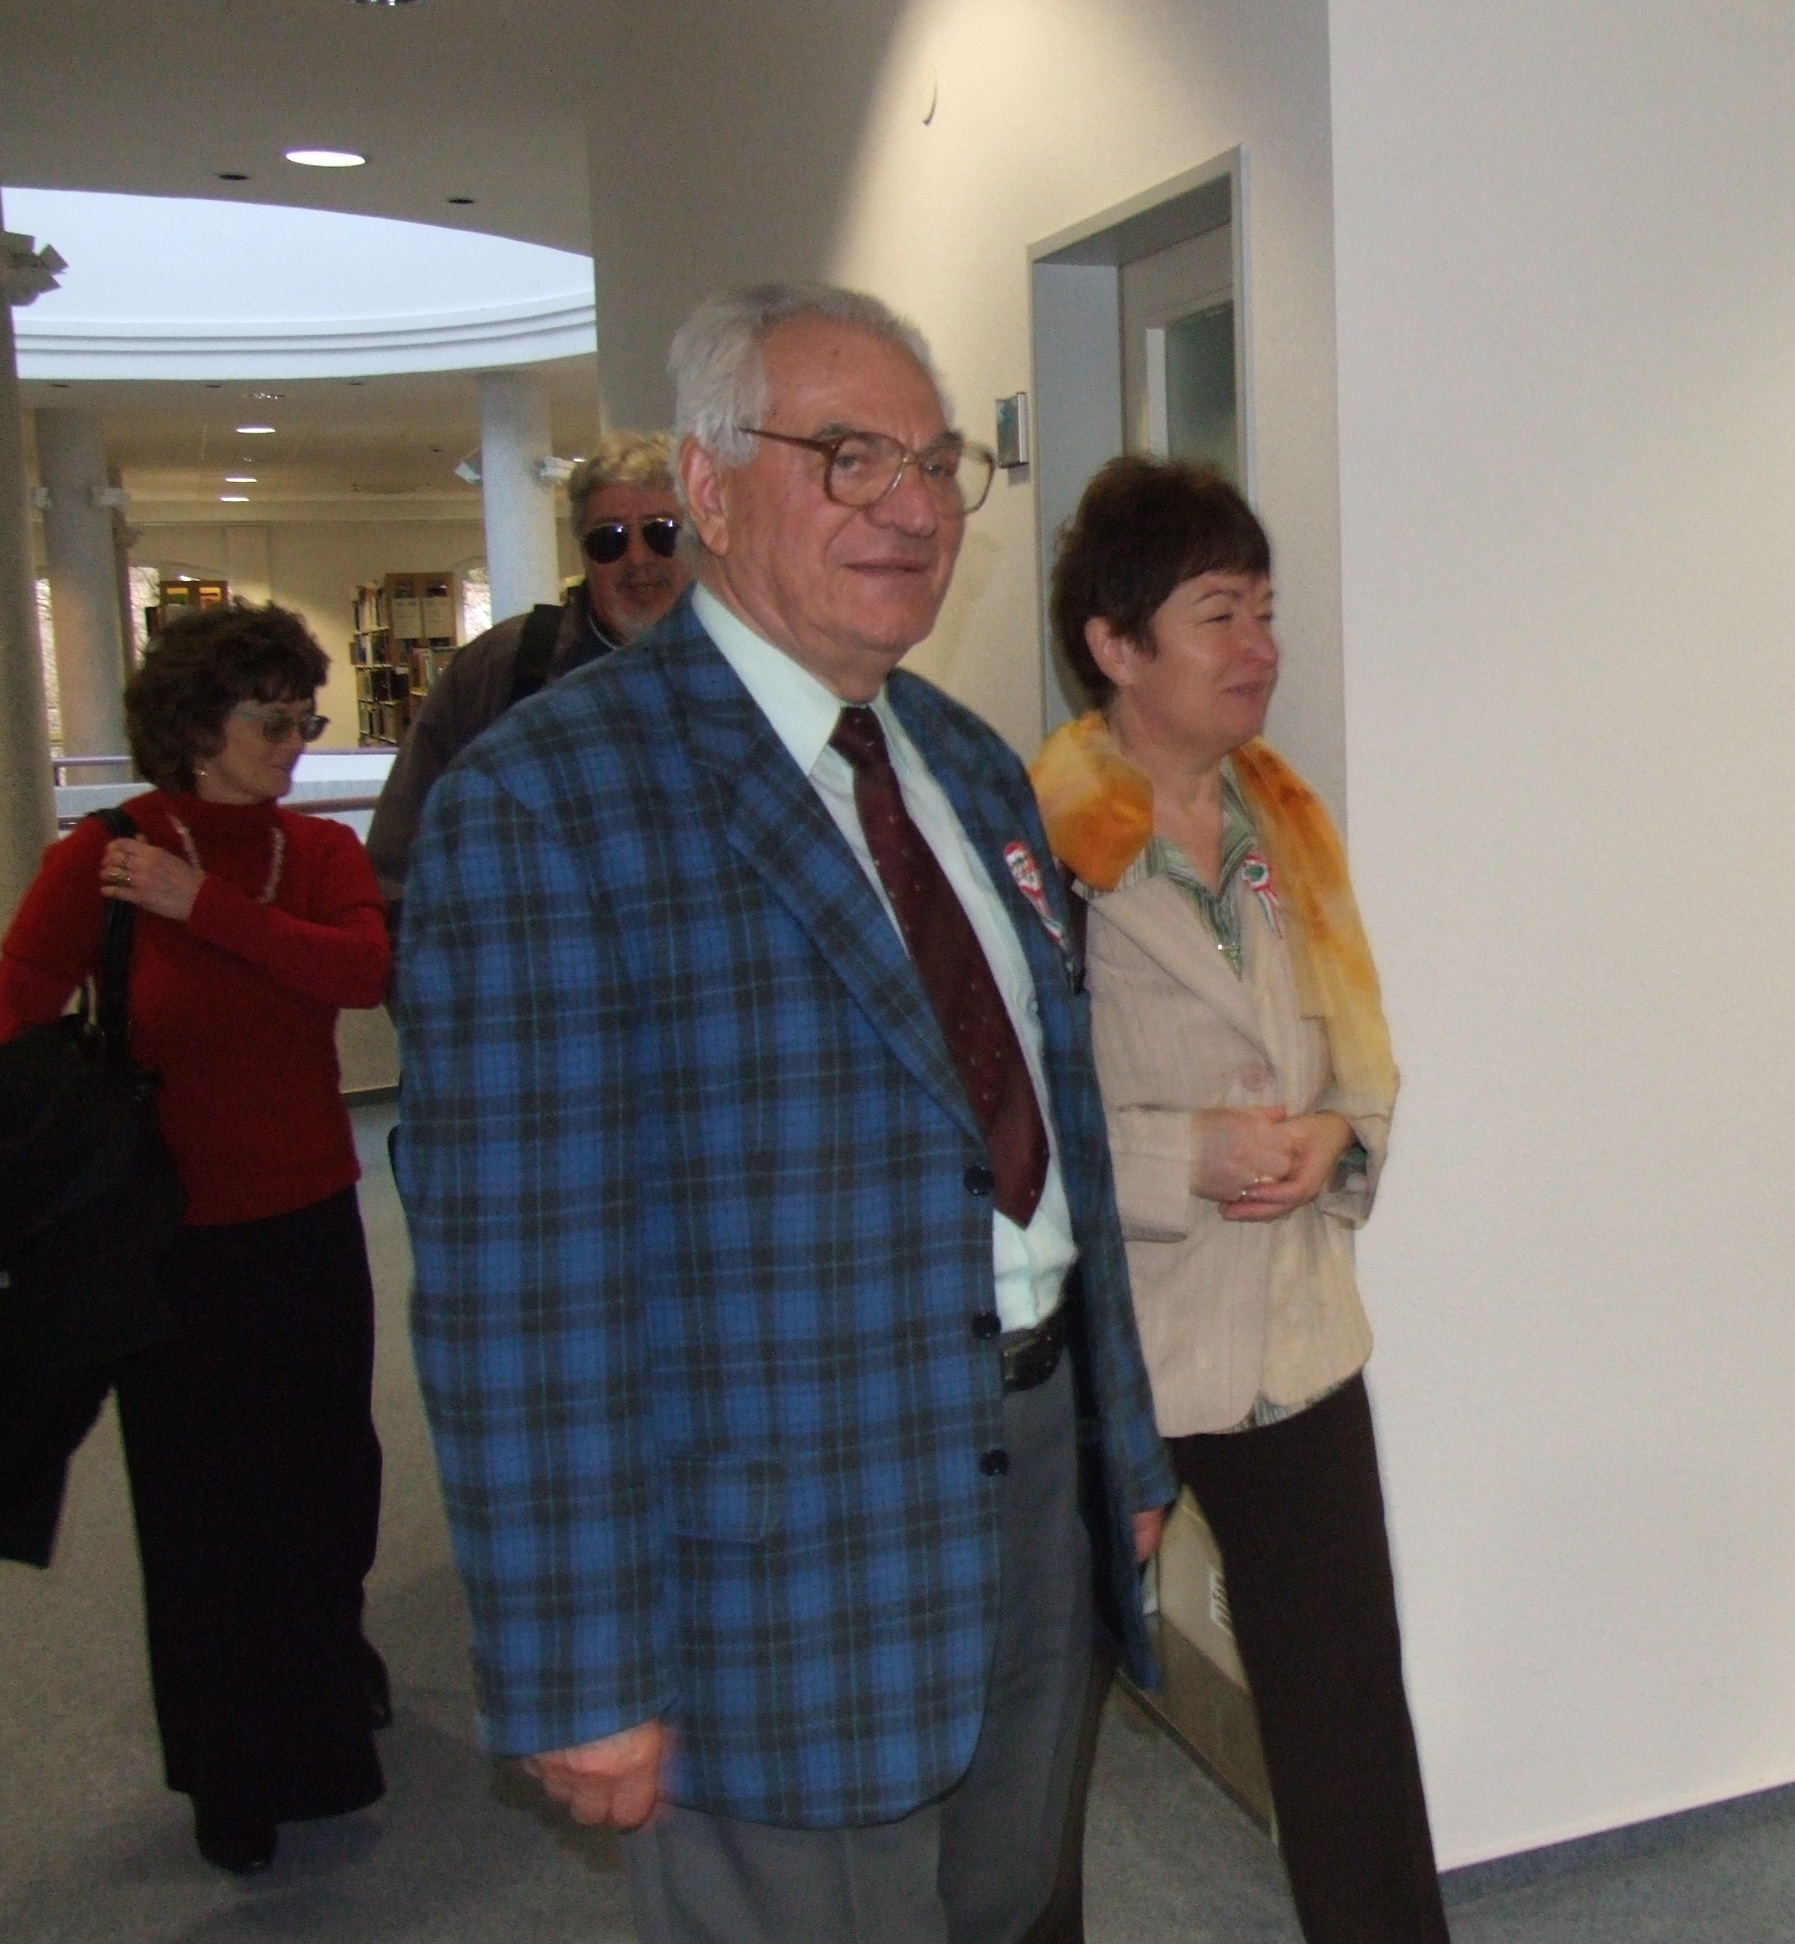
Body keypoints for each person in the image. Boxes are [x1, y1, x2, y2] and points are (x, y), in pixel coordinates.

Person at [394, 284, 1175, 1944]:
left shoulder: (967, 763)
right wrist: (578, 1663)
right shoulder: (546, 800)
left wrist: (1116, 1444)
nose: (912, 505)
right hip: (772, 1561)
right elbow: (516, 1287)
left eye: (936, 462)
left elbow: (1056, 1135)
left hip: (1032, 1472)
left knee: (1007, 1903)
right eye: (846, 455)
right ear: (709, 482)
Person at [1032, 457, 1448, 1944]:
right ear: (1115, 643)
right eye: (1220, 613)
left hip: (1294, 1339)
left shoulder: (1286, 820)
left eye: (1264, 610)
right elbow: (1001, 1119)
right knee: (1037, 1744)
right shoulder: (1039, 840)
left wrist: (1339, 1134)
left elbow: (1359, 1048)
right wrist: (1181, 1158)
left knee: (1348, 1715)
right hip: (1117, 1352)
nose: (1260, 646)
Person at [0, 603, 392, 1876]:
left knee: (326, 1483)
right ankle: (231, 1775)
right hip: (165, 1239)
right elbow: (16, 1003)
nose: (294, 743)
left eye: (304, 719)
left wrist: (205, 906)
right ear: (193, 726)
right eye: (270, 721)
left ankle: (325, 1720)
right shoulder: (107, 854)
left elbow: (359, 974)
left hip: (310, 1220)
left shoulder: (315, 849)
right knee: (199, 1515)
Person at [364, 429, 689, 920]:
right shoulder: (503, 665)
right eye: (609, 539)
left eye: (662, 532)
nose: (638, 558)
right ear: (584, 554)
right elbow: (401, 853)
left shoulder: (754, 667)